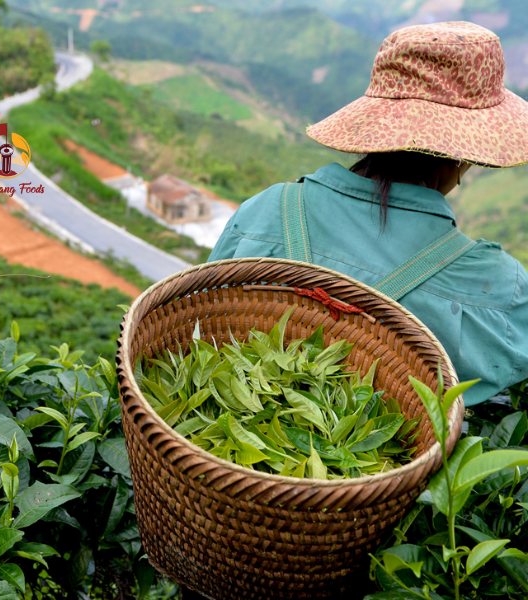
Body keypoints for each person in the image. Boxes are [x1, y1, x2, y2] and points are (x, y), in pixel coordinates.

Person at [209, 21, 528, 406]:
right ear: (460, 158)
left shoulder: (265, 210)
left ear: (374, 130)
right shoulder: (500, 285)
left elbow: (199, 319)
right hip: (400, 464)